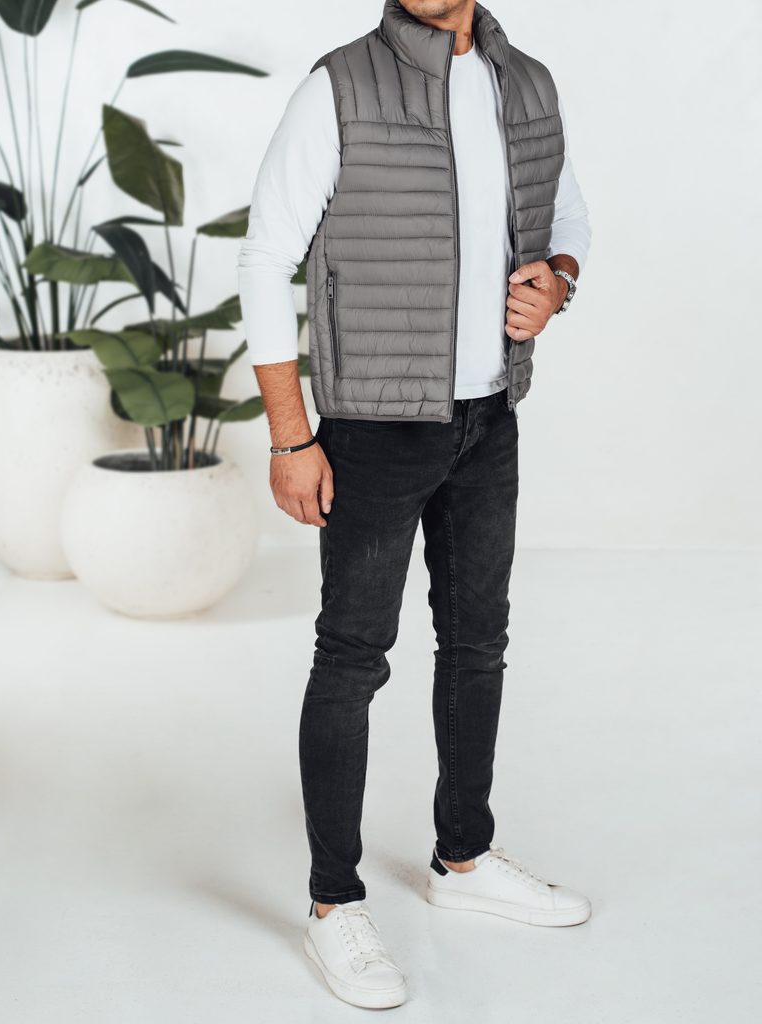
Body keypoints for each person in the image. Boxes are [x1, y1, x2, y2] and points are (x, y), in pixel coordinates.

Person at [237, 0, 592, 1008]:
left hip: (489, 420)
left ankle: (463, 859)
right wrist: (291, 435)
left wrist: (558, 283)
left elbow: (568, 220)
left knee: (478, 642)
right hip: (373, 428)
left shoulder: (527, 84)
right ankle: (333, 902)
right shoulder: (341, 85)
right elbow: (265, 256)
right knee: (352, 657)